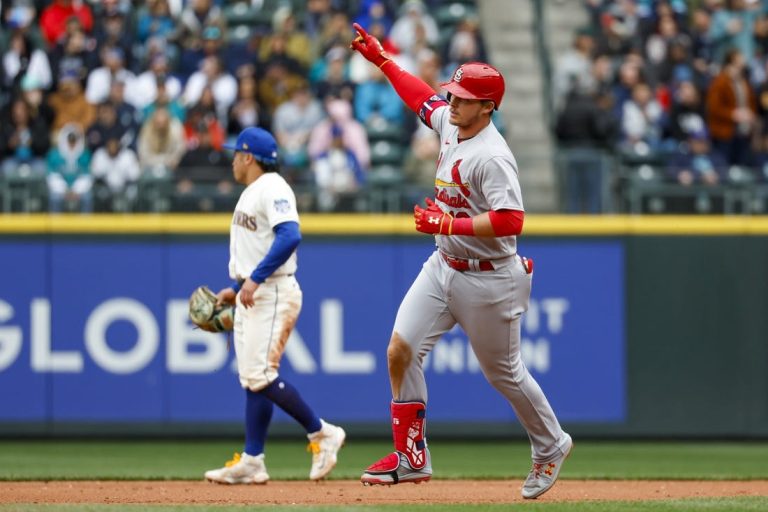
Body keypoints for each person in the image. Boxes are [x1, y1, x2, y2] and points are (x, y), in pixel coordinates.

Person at [349, 24, 572, 499]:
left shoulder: (493, 156)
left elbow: (512, 218)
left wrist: (450, 225)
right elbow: (420, 99)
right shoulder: (451, 121)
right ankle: (411, 456)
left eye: (465, 97)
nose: (453, 101)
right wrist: (383, 61)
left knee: (504, 373)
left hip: (490, 278)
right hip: (444, 265)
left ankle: (551, 445)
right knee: (399, 350)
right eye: (454, 92)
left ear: (488, 106)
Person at [204, 126, 346, 484]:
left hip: (274, 291)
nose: (233, 160)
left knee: (260, 374)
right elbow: (258, 248)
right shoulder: (253, 191)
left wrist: (253, 280)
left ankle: (322, 433)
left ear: (248, 157)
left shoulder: (273, 187)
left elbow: (290, 235)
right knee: (253, 377)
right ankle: (253, 459)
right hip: (255, 291)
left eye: (236, 154)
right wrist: (238, 288)